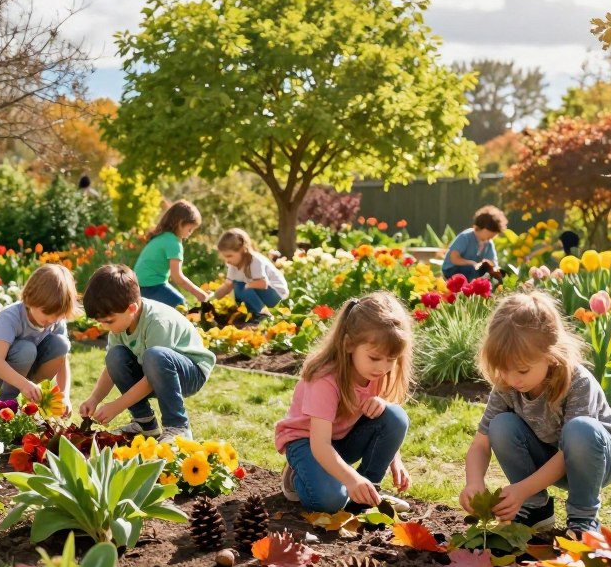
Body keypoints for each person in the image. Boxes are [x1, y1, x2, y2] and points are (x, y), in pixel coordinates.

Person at [459, 292, 611, 535]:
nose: (512, 379)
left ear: (551, 356)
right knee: (500, 425)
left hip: (596, 459)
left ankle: (584, 519)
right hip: (549, 456)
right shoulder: (507, 385)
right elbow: (481, 444)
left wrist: (522, 489)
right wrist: (474, 482)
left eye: (522, 371)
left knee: (580, 429)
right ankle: (536, 510)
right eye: (503, 370)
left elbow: (571, 450)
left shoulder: (577, 382)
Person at [275, 291, 413, 513]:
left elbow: (389, 426)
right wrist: (351, 480)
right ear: (349, 344)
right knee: (330, 502)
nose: (383, 367)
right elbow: (320, 445)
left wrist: (395, 460)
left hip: (341, 440)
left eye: (391, 360)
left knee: (395, 416)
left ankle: (368, 494)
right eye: (375, 358)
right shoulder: (325, 379)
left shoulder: (375, 372)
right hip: (307, 443)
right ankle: (298, 475)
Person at [79, 264, 215, 443]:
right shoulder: (120, 325)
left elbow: (153, 375)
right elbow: (112, 369)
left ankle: (178, 427)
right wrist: (94, 399)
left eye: (109, 321)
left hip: (190, 373)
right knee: (115, 356)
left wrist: (117, 406)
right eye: (101, 322)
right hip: (155, 369)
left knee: (155, 356)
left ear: (132, 309)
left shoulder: (158, 321)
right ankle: (145, 424)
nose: (105, 327)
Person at [0, 263, 75, 413]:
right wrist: (23, 384)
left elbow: (62, 359)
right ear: (30, 298)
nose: (51, 320)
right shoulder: (10, 317)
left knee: (61, 344)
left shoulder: (55, 321)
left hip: (29, 370)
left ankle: (35, 397)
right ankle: (7, 402)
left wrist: (64, 395)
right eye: (47, 312)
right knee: (26, 349)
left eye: (58, 315)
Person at [133, 200, 208, 308]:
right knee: (180, 305)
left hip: (138, 286)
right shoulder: (174, 243)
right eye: (190, 229)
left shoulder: (161, 236)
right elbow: (177, 277)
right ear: (180, 223)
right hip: (151, 286)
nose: (190, 233)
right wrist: (199, 293)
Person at [210, 228, 288, 320]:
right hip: (262, 293)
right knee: (238, 287)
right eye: (224, 257)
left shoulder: (255, 260)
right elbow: (228, 285)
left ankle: (262, 315)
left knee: (240, 286)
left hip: (277, 296)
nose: (227, 260)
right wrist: (212, 298)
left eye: (229, 256)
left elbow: (263, 283)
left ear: (243, 249)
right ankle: (251, 314)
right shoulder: (233, 264)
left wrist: (246, 286)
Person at [441, 205, 508, 281]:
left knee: (487, 272)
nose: (491, 237)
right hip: (452, 270)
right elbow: (454, 258)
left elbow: (493, 262)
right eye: (490, 234)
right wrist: (471, 263)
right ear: (483, 228)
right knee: (472, 269)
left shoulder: (488, 243)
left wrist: (493, 269)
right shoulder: (465, 237)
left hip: (470, 271)